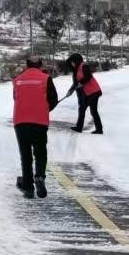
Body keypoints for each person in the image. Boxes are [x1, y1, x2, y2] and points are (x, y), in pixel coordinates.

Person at [11, 54, 59, 198]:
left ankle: (28, 187)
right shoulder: (46, 79)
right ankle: (39, 177)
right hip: (39, 121)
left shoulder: (17, 80)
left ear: (26, 65)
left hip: (21, 121)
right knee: (40, 152)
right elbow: (53, 99)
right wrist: (44, 109)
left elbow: (16, 98)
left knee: (25, 155)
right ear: (40, 65)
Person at [64, 52, 104, 133]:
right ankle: (79, 127)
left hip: (94, 91)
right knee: (81, 109)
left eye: (72, 62)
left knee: (93, 111)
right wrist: (70, 91)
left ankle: (99, 129)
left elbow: (88, 76)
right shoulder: (76, 71)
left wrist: (81, 83)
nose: (71, 64)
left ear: (76, 61)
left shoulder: (84, 66)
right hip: (87, 93)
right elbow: (76, 83)